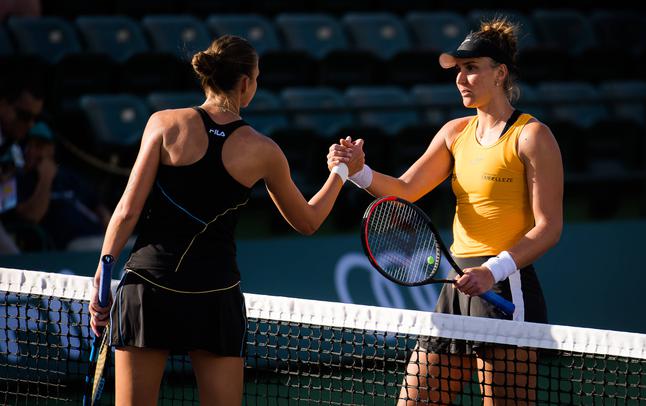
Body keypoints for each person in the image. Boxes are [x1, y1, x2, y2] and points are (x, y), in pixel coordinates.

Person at [88, 35, 352, 405]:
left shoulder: (163, 124)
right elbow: (307, 221)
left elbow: (128, 209)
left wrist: (105, 265)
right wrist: (340, 172)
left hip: (147, 288)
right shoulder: (263, 151)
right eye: (257, 78)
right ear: (245, 83)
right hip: (214, 296)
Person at [328, 17, 563, 405]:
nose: (461, 79)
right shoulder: (455, 132)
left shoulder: (531, 136)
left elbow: (549, 227)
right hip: (458, 284)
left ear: (500, 73)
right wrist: (359, 171)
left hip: (505, 284)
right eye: (458, 70)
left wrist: (493, 270)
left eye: (471, 69)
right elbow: (405, 190)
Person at [11, 122, 111, 250]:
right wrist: (46, 178)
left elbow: (100, 208)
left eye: (39, 146)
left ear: (52, 148)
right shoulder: (21, 180)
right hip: (69, 249)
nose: (32, 151)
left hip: (97, 239)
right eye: (27, 145)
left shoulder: (68, 177)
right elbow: (32, 217)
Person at [0, 57, 46, 254]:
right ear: (3, 105)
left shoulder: (16, 147)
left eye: (35, 119)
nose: (30, 125)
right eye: (24, 116)